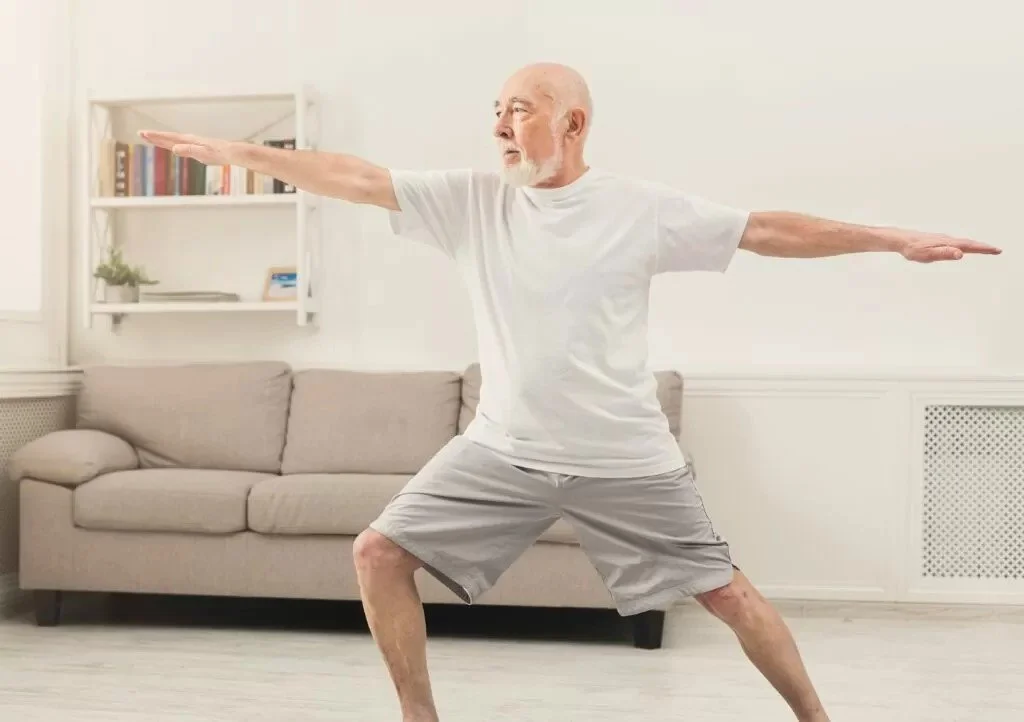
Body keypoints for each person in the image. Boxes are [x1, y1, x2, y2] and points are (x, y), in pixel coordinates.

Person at [140, 62, 1001, 722]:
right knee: (377, 553)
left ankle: (817, 718)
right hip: (502, 448)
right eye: (495, 113)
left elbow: (767, 228)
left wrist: (894, 238)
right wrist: (250, 155)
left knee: (728, 593)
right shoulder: (473, 203)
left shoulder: (639, 208)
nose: (500, 127)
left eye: (518, 110)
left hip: (624, 456)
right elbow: (362, 180)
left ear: (573, 123)